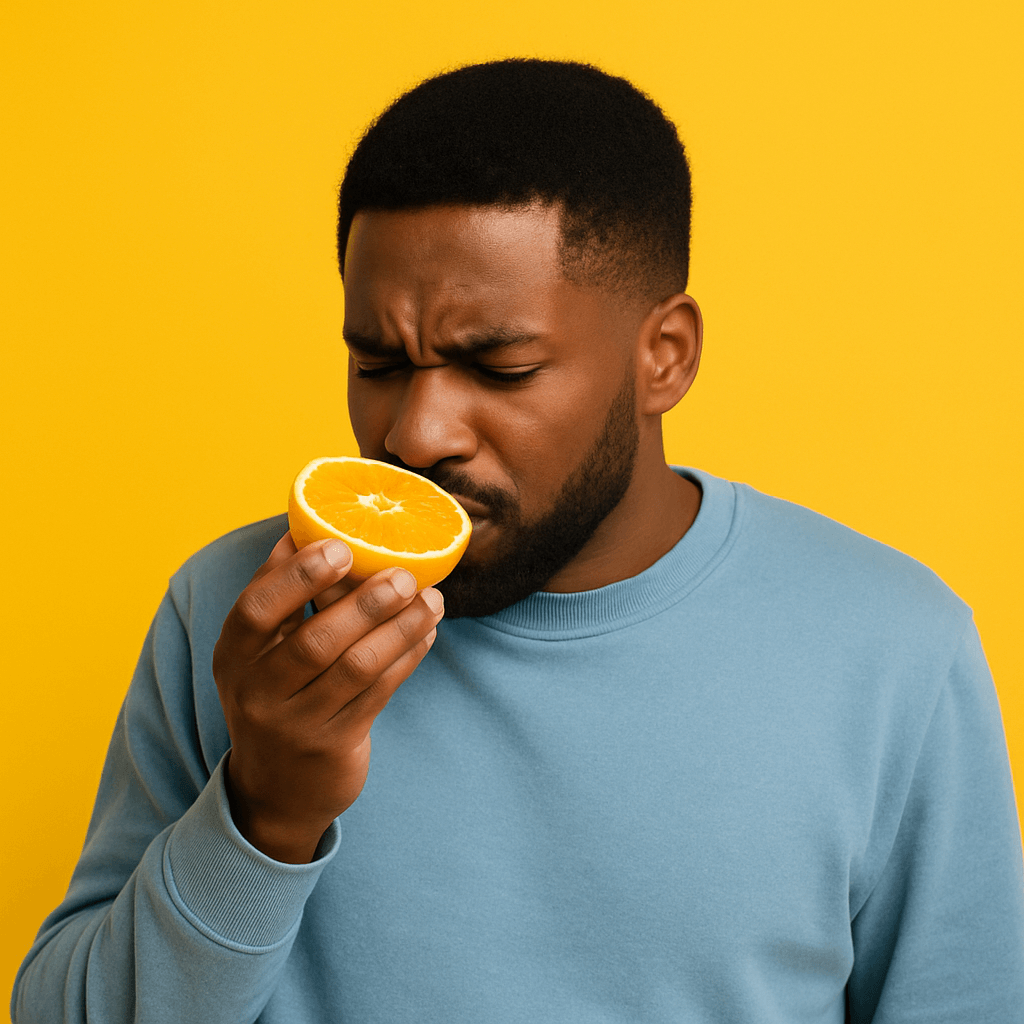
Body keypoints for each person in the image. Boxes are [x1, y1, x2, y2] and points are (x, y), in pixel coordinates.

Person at [12, 58, 1024, 1024]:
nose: (415, 433)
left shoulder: (893, 650)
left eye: (497, 367)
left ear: (661, 358)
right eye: (377, 362)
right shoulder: (246, 616)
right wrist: (262, 809)